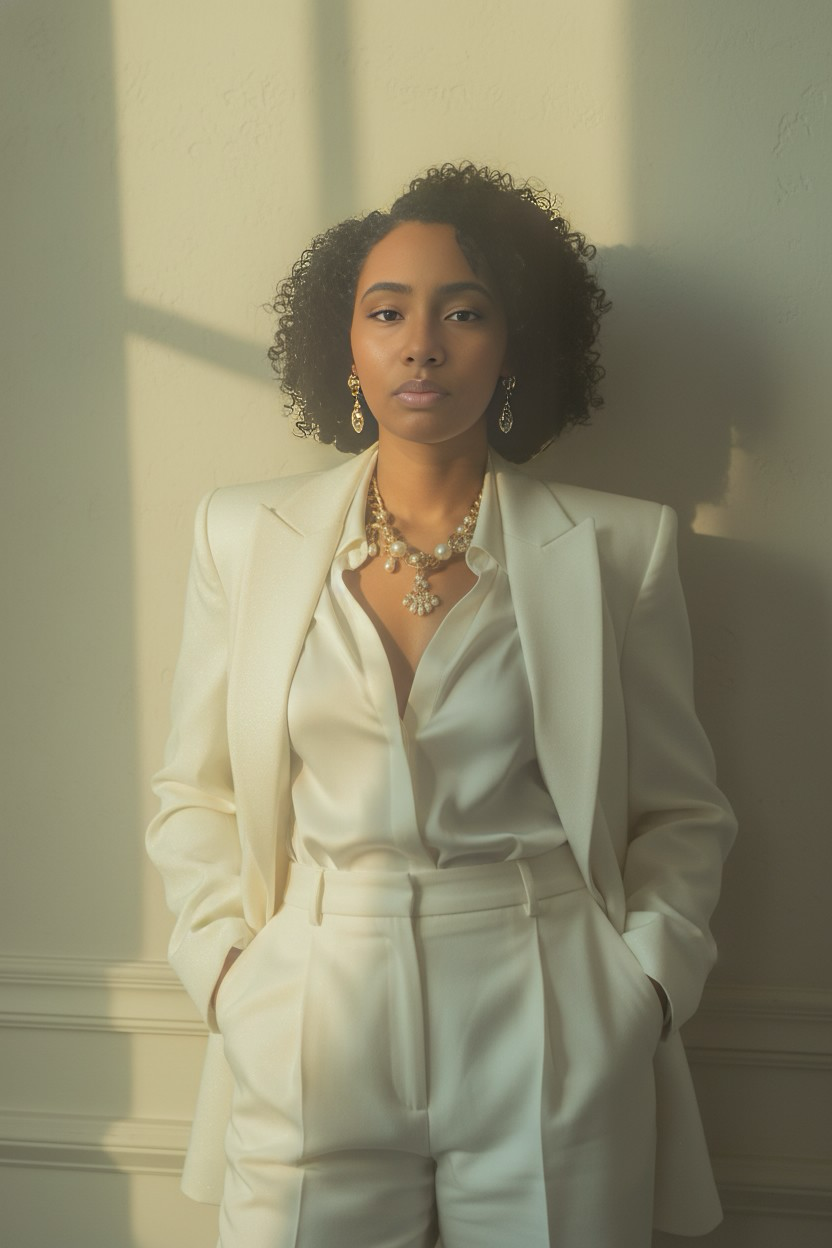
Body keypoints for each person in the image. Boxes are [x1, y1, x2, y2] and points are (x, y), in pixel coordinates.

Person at [146, 162, 737, 1248]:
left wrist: (642, 992)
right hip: (308, 1011)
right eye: (387, 312)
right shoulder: (242, 536)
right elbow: (194, 791)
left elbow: (680, 812)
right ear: (346, 341)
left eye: (464, 312)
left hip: (550, 1008)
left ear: (517, 345)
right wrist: (230, 976)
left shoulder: (617, 548)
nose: (422, 344)